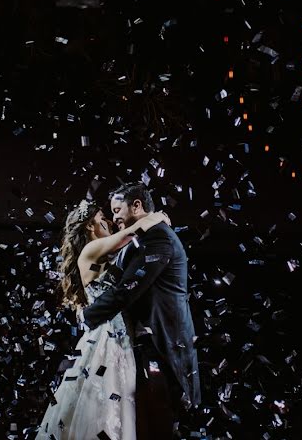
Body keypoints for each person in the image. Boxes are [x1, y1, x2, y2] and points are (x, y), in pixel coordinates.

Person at [37, 199, 167, 440]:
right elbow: (130, 233)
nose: (108, 221)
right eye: (101, 219)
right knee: (103, 398)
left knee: (117, 401)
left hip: (120, 335)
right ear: (89, 226)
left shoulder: (105, 253)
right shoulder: (90, 250)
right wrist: (158, 217)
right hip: (106, 338)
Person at [83, 182, 201, 440]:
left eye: (117, 210)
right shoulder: (141, 238)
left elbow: (128, 290)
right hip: (139, 347)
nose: (114, 218)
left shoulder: (158, 237)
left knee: (160, 424)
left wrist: (87, 316)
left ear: (136, 206)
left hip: (163, 345)